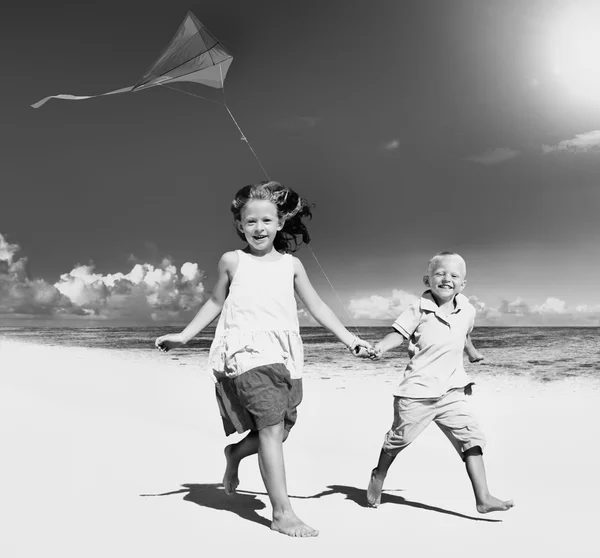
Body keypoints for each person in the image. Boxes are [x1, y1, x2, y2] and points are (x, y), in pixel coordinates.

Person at [155, 180, 372, 537]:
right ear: (240, 225)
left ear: (280, 223)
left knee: (280, 430)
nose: (259, 228)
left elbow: (316, 306)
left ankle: (237, 453)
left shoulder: (292, 265)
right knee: (271, 428)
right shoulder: (232, 261)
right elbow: (214, 302)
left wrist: (352, 341)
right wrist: (183, 336)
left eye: (266, 221)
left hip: (285, 354)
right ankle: (282, 513)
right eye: (251, 221)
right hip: (245, 353)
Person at [366, 252, 513, 513]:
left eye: (454, 275)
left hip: (452, 391)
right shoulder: (417, 309)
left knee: (472, 438)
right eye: (440, 273)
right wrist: (380, 347)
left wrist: (472, 352)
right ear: (428, 279)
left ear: (463, 284)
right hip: (417, 393)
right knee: (397, 441)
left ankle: (484, 498)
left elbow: (464, 334)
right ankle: (379, 475)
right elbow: (397, 335)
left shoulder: (468, 309)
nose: (447, 279)